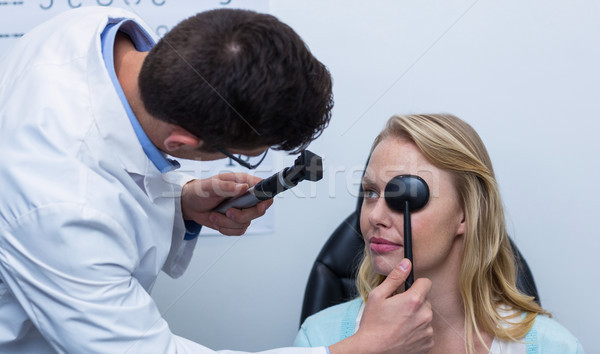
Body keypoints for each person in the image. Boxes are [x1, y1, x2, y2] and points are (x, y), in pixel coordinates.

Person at [0, 6, 434, 353]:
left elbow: (111, 161)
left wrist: (180, 201)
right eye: (248, 155)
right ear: (183, 141)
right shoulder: (59, 210)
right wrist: (360, 350)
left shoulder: (91, 32)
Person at [294, 114, 584, 353]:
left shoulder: (554, 347)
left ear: (466, 215)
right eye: (370, 193)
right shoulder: (320, 338)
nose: (374, 216)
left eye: (405, 195)